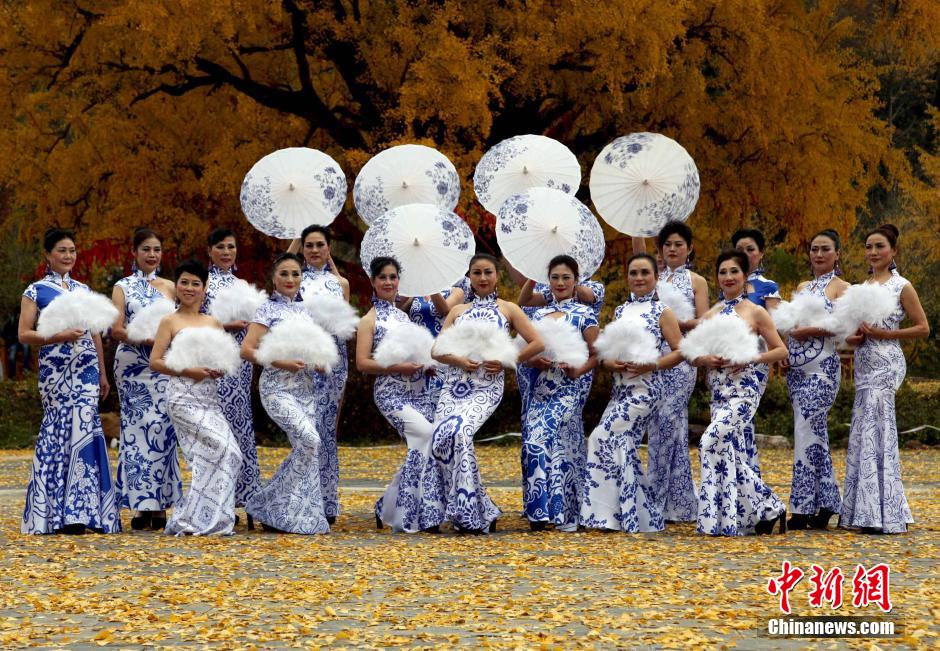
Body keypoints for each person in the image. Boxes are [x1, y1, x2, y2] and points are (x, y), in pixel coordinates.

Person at [430, 254, 544, 533]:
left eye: (488, 272)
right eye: (477, 273)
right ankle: (482, 508)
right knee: (441, 439)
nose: (482, 278)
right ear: (469, 277)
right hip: (455, 384)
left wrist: (508, 359)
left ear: (497, 276)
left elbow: (538, 342)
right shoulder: (457, 312)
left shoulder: (509, 309)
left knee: (461, 433)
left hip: (486, 385)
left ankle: (469, 512)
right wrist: (457, 360)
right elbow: (436, 350)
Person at [19, 228, 120, 534]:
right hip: (56, 369)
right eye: (61, 250)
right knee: (59, 429)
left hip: (87, 368)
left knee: (86, 429)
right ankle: (52, 513)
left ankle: (83, 512)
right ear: (48, 255)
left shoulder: (83, 290)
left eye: (72, 250)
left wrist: (103, 372)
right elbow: (24, 334)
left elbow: (94, 334)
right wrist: (57, 336)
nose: (68, 256)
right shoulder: (35, 291)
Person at [580, 253, 683, 533]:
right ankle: (632, 515)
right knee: (617, 443)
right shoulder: (620, 311)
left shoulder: (663, 311)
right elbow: (607, 355)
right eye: (633, 273)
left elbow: (681, 351)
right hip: (621, 388)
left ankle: (611, 516)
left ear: (655, 277)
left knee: (604, 435)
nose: (638, 278)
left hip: (647, 390)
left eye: (644, 273)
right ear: (627, 277)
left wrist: (653, 363)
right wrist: (612, 363)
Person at [691, 250, 788, 536]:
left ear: (745, 276)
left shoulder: (755, 311)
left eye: (734, 271)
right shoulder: (712, 313)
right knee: (725, 449)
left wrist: (751, 358)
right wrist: (706, 359)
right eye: (723, 272)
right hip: (719, 389)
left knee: (710, 441)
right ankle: (762, 509)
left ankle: (759, 506)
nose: (728, 277)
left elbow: (781, 350)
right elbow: (692, 352)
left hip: (745, 389)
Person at [840, 224, 928, 534]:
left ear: (893, 251)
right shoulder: (861, 286)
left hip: (887, 362)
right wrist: (855, 337)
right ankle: (866, 510)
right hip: (864, 362)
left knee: (880, 431)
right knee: (865, 429)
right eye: (868, 247)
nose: (873, 252)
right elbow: (850, 335)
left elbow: (922, 328)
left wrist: (884, 333)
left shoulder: (901, 285)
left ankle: (883, 512)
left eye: (879, 246)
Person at [150, 259, 243, 536]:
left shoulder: (213, 322)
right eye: (184, 282)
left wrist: (217, 370)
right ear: (176, 286)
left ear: (204, 288)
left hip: (209, 398)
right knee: (221, 449)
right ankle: (200, 517)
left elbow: (223, 358)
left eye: (196, 283)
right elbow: (155, 362)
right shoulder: (169, 321)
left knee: (228, 454)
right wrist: (189, 370)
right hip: (181, 396)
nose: (190, 288)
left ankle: (204, 517)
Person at [240, 253, 330, 534]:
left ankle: (289, 512)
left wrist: (321, 364)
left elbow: (316, 349)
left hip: (305, 390)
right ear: (274, 278)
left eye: (295, 274)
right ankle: (267, 503)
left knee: (308, 449)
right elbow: (247, 349)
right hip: (277, 387)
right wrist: (279, 362)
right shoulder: (266, 310)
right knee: (310, 439)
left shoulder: (307, 312)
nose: (291, 279)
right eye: (285, 274)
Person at [358, 257, 444, 533]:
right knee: (426, 434)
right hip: (390, 393)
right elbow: (363, 364)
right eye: (382, 277)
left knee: (427, 441)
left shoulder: (403, 317)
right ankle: (406, 511)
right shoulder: (368, 320)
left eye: (393, 277)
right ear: (373, 281)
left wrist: (423, 367)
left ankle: (395, 506)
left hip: (417, 390)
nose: (388, 282)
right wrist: (397, 367)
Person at [520, 255, 598, 532]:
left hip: (569, 388)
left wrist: (579, 370)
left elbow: (597, 352)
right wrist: (532, 361)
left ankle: (564, 512)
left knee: (555, 442)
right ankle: (540, 512)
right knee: (533, 442)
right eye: (555, 277)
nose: (561, 282)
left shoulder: (585, 313)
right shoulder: (536, 315)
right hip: (540, 389)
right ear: (548, 281)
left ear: (576, 281)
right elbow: (524, 352)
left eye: (566, 277)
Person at [111, 227, 180, 531]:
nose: (152, 255)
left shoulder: (170, 286)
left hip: (163, 364)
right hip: (132, 366)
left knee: (163, 430)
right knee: (136, 433)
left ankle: (161, 502)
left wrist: (164, 342)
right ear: (134, 253)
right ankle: (140, 506)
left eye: (157, 250)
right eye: (146, 250)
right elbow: (116, 328)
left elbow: (181, 321)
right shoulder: (122, 286)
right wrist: (144, 338)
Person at [782, 230, 850, 530]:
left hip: (822, 368)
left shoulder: (843, 288)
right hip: (797, 368)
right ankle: (828, 504)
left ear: (837, 254)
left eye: (825, 249)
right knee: (814, 434)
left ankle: (802, 507)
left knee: (806, 430)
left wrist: (809, 331)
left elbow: (844, 328)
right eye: (814, 249)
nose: (818, 254)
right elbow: (791, 323)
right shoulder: (803, 286)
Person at [647, 221, 709, 523]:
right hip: (652, 359)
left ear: (689, 248)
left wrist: (674, 322)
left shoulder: (696, 280)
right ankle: (679, 501)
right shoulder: (652, 278)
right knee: (661, 426)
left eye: (678, 244)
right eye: (667, 244)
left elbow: (704, 319)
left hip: (680, 358)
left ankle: (657, 497)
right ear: (660, 249)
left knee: (670, 422)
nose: (672, 249)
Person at [288, 225, 349, 524]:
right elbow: (279, 275)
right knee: (304, 428)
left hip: (333, 362)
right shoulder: (293, 279)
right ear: (302, 248)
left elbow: (345, 323)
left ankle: (327, 501)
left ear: (328, 248)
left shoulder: (341, 283)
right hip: (302, 360)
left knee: (326, 430)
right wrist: (293, 243)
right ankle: (302, 496)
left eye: (320, 245)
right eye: (308, 245)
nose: (314, 250)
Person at [201, 228, 261, 521]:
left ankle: (246, 498)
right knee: (217, 430)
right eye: (220, 247)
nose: (226, 252)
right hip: (214, 361)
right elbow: (193, 320)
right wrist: (224, 324)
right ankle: (218, 501)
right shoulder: (203, 284)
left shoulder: (242, 285)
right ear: (209, 250)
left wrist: (249, 325)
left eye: (231, 247)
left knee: (242, 425)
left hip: (240, 363)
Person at [731, 228, 781, 477]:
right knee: (735, 426)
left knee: (744, 420)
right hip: (728, 362)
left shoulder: (768, 286)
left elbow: (776, 327)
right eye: (740, 250)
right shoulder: (728, 285)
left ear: (760, 254)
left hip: (755, 361)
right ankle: (739, 487)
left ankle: (752, 487)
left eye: (750, 249)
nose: (745, 254)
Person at [3, 307, 31, 379]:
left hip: (23, 341)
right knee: (12, 356)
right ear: (16, 314)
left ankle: (26, 369)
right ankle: (12, 375)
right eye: (19, 314)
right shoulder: (10, 321)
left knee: (26, 348)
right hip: (13, 342)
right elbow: (3, 333)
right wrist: (11, 338)